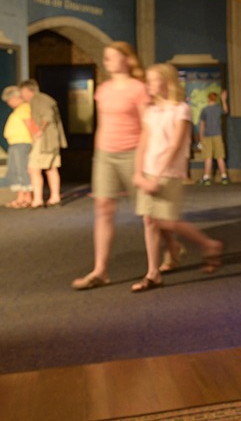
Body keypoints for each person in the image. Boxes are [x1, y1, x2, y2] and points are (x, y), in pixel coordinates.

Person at [72, 42, 183, 290]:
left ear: (127, 59)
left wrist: (149, 162)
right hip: (105, 155)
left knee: (149, 212)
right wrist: (98, 154)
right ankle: (100, 270)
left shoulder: (138, 89)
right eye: (106, 57)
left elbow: (148, 126)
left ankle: (172, 247)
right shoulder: (103, 89)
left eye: (113, 56)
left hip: (133, 153)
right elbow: (101, 124)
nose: (107, 61)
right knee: (103, 208)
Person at [130, 63, 223, 292]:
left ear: (167, 82)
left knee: (166, 220)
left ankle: (208, 244)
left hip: (168, 172)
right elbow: (143, 143)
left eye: (153, 80)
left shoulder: (181, 110)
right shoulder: (151, 111)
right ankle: (153, 273)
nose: (148, 84)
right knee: (150, 220)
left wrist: (157, 176)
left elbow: (175, 144)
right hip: (148, 170)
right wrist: (138, 172)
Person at [19, 79, 67, 208]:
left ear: (28, 90)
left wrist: (39, 131)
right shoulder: (45, 99)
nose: (21, 95)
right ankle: (55, 197)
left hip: (45, 139)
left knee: (33, 168)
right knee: (51, 168)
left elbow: (47, 116)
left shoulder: (39, 99)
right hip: (52, 139)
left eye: (22, 92)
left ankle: (38, 200)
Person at [2, 86, 33, 209]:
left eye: (9, 100)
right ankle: (20, 197)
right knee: (14, 170)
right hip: (15, 143)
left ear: (15, 98)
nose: (8, 103)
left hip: (22, 143)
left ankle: (27, 197)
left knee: (22, 169)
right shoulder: (18, 110)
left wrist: (35, 139)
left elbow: (29, 124)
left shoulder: (24, 108)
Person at [197, 90, 230, 185]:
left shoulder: (204, 110)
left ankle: (206, 177)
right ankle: (224, 176)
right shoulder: (218, 109)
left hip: (207, 135)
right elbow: (225, 111)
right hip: (217, 135)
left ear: (208, 99)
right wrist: (223, 100)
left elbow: (202, 124)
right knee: (220, 157)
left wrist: (201, 136)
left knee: (208, 157)